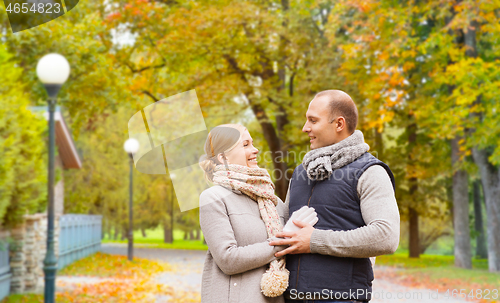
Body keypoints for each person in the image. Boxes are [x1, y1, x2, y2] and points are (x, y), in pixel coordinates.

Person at [269, 90, 400, 303]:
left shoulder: (370, 171)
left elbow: (386, 236)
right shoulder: (301, 173)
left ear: (339, 124)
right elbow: (281, 227)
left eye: (313, 120)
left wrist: (315, 241)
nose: (305, 128)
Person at [198, 124, 289, 303]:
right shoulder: (214, 198)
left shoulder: (272, 200)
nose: (255, 150)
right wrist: (283, 244)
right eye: (245, 145)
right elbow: (228, 259)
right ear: (223, 157)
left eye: (252, 143)